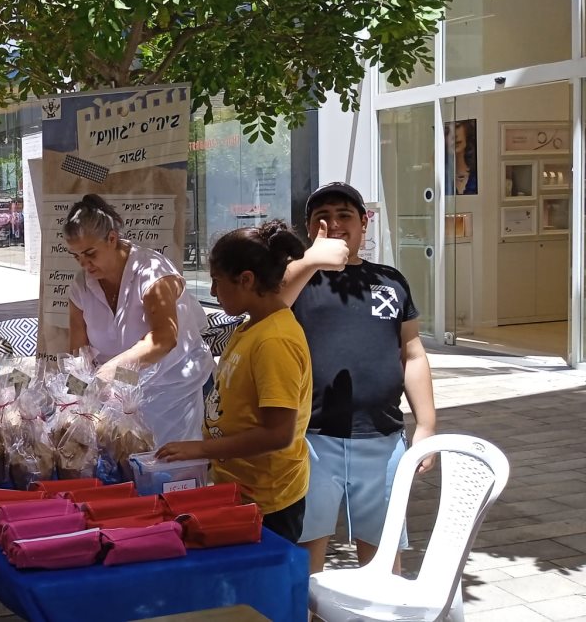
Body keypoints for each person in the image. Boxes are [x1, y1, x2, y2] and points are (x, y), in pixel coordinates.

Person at [279, 182, 437, 573]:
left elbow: (412, 353)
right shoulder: (298, 279)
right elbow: (270, 305)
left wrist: (427, 426)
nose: (333, 224)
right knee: (307, 550)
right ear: (309, 227)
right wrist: (309, 261)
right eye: (322, 217)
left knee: (383, 553)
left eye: (344, 215)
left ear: (364, 223)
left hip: (381, 439)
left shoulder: (390, 281)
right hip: (312, 441)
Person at [157, 220, 312, 543]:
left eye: (217, 282)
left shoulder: (274, 340)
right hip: (241, 488)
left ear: (246, 280)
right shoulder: (250, 327)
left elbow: (278, 433)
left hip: (270, 500)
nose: (213, 292)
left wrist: (200, 449)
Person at [64, 194, 214, 446]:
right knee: (121, 461)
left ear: (112, 239)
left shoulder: (153, 272)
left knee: (166, 466)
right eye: (77, 256)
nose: (85, 264)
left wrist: (110, 371)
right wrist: (72, 400)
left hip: (172, 387)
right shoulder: (81, 285)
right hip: (122, 390)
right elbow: (78, 353)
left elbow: (163, 339)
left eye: (90, 254)